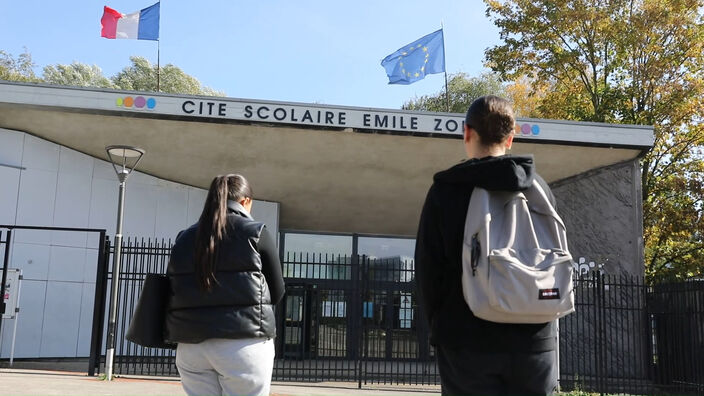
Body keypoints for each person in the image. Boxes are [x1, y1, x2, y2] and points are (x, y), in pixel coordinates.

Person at [415, 96, 558, 396]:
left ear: (467, 133)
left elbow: (429, 271)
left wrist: (440, 328)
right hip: (534, 339)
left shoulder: (446, 190)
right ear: (511, 136)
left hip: (466, 339)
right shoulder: (539, 188)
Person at [165, 174, 285, 396]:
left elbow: (175, 287)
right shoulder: (256, 233)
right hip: (243, 344)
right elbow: (276, 292)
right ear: (246, 201)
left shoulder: (184, 238)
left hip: (191, 345)